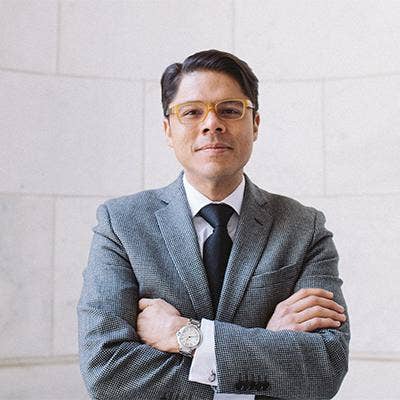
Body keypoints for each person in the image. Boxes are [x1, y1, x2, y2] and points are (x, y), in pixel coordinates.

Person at [78, 49, 350, 400]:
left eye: (230, 110)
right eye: (192, 112)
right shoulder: (121, 224)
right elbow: (107, 372)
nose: (212, 124)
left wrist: (186, 335)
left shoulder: (304, 227)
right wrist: (264, 350)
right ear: (168, 130)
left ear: (255, 124)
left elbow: (324, 368)